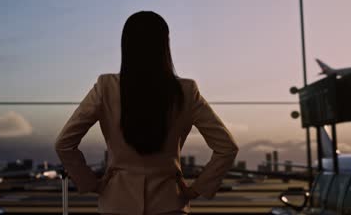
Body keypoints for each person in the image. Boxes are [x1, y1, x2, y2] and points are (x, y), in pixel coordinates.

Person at [54, 11, 238, 215]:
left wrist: (91, 183)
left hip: (116, 204)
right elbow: (227, 148)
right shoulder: (185, 90)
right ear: (164, 46)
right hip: (169, 203)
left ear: (126, 45)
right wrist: (196, 189)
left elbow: (64, 143)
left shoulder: (106, 87)